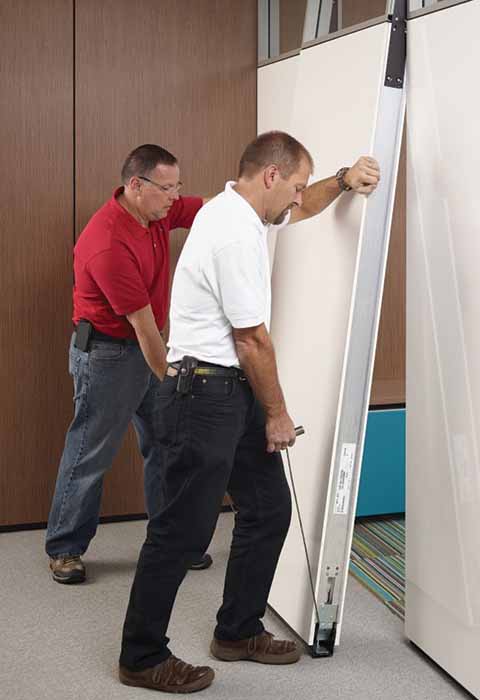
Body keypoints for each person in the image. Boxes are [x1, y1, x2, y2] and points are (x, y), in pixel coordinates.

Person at [117, 131, 381, 693]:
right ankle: (140, 656)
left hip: (227, 392)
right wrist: (278, 414)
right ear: (270, 176)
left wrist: (342, 178)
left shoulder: (242, 208)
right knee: (181, 533)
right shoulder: (233, 233)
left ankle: (236, 631)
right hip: (203, 397)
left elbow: (302, 207)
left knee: (266, 509)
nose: (297, 198)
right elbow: (252, 340)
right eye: (295, 185)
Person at [46, 144, 214, 584]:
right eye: (167, 188)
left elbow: (217, 210)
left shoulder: (157, 212)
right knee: (91, 451)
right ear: (136, 186)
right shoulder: (107, 242)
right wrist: (175, 383)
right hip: (108, 355)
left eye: (179, 187)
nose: (176, 197)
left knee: (164, 443)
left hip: (148, 343)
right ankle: (64, 549)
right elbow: (142, 328)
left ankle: (169, 540)